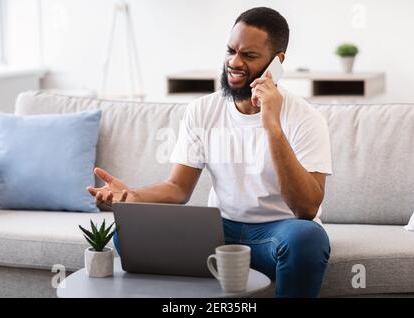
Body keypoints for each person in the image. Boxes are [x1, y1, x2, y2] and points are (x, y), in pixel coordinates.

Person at [87, 7, 331, 298]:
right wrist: (132, 198)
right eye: (231, 50)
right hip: (220, 232)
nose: (234, 62)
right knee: (127, 235)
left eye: (249, 56)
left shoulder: (306, 118)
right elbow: (178, 188)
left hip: (278, 235)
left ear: (276, 63)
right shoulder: (203, 110)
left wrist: (272, 126)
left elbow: (306, 209)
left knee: (308, 237)